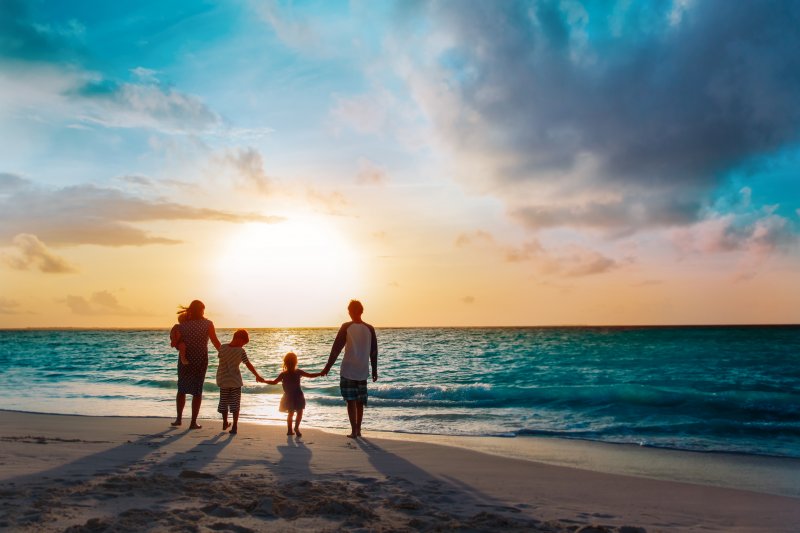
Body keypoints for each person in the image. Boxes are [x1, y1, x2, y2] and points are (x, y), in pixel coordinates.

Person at [321, 300, 378, 439]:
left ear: (350, 312)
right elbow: (374, 352)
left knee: (350, 401)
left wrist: (327, 367)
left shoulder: (346, 327)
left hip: (348, 370)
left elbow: (336, 349)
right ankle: (358, 430)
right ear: (362, 311)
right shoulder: (370, 328)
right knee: (359, 402)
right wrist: (374, 370)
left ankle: (354, 431)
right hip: (363, 371)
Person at [171, 299, 221, 429]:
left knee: (181, 388)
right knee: (197, 391)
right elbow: (215, 341)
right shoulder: (208, 324)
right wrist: (224, 353)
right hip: (200, 360)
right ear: (201, 310)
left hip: (185, 360)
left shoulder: (182, 326)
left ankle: (178, 419)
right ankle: (193, 422)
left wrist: (179, 346)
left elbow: (175, 342)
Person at [259, 352, 322, 437]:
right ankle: (296, 428)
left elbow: (274, 382)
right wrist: (320, 373)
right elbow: (310, 375)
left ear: (285, 363)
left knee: (290, 413)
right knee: (300, 412)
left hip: (288, 396)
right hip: (298, 395)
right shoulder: (298, 372)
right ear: (296, 362)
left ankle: (289, 430)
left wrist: (264, 381)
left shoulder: (284, 374)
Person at [215, 329, 264, 435]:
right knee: (235, 404)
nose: (243, 345)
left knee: (224, 402)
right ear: (238, 339)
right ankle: (235, 426)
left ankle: (225, 422)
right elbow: (248, 364)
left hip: (223, 380)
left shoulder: (222, 348)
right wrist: (257, 375)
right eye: (243, 343)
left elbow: (220, 358)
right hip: (235, 381)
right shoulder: (241, 351)